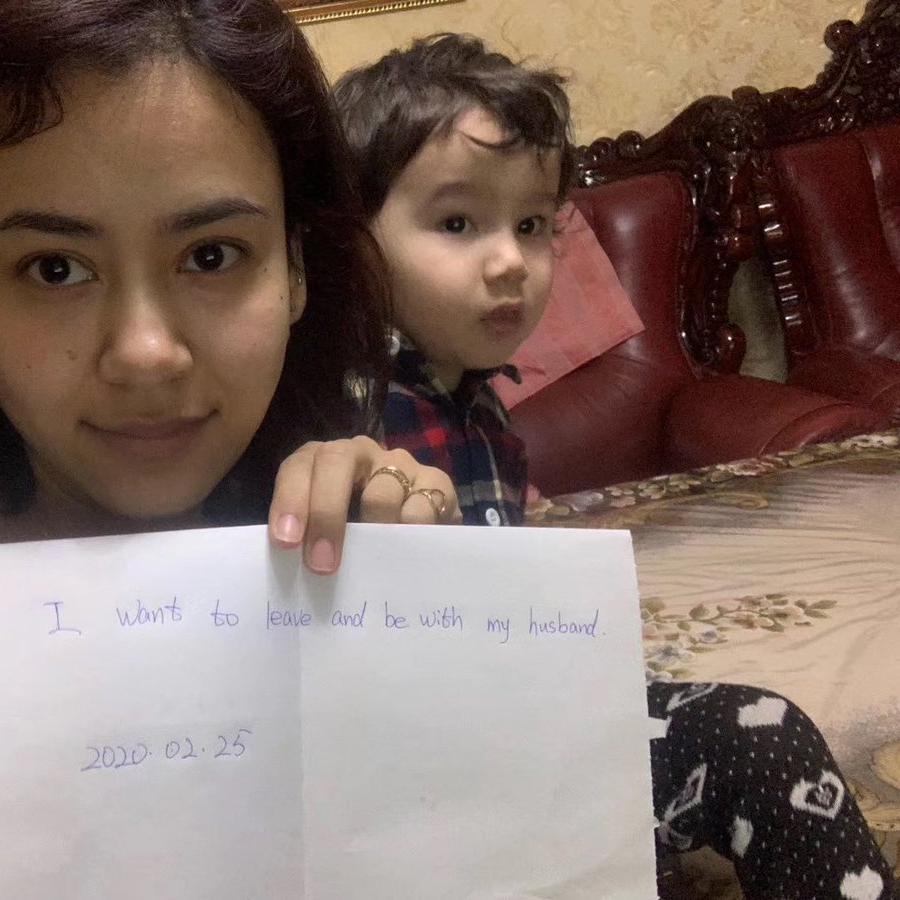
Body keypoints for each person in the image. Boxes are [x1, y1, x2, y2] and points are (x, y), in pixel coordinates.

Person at [0, 1, 463, 896]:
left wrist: (430, 591)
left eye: (212, 255)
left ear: (294, 264)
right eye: (54, 268)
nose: (146, 353)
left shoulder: (349, 565)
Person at [335, 32, 896, 900]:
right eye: (457, 223)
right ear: (355, 246)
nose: (509, 261)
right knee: (758, 732)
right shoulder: (353, 406)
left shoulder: (476, 401)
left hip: (517, 717)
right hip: (432, 771)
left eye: (531, 225)